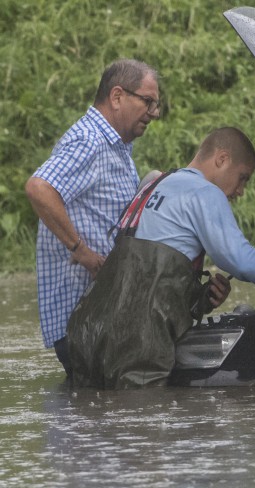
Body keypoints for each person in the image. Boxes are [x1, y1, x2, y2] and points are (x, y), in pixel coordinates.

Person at [66, 127, 255, 389]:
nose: (241, 191)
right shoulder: (205, 192)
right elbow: (238, 259)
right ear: (222, 159)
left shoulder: (152, 183)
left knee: (95, 417)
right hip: (137, 342)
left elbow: (140, 280)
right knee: (141, 420)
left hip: (88, 332)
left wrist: (200, 299)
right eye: (243, 178)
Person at [25, 59, 162, 378]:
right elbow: (39, 188)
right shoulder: (91, 141)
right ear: (117, 96)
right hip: (84, 320)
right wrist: (81, 251)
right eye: (148, 101)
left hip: (99, 316)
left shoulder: (116, 147)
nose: (155, 112)